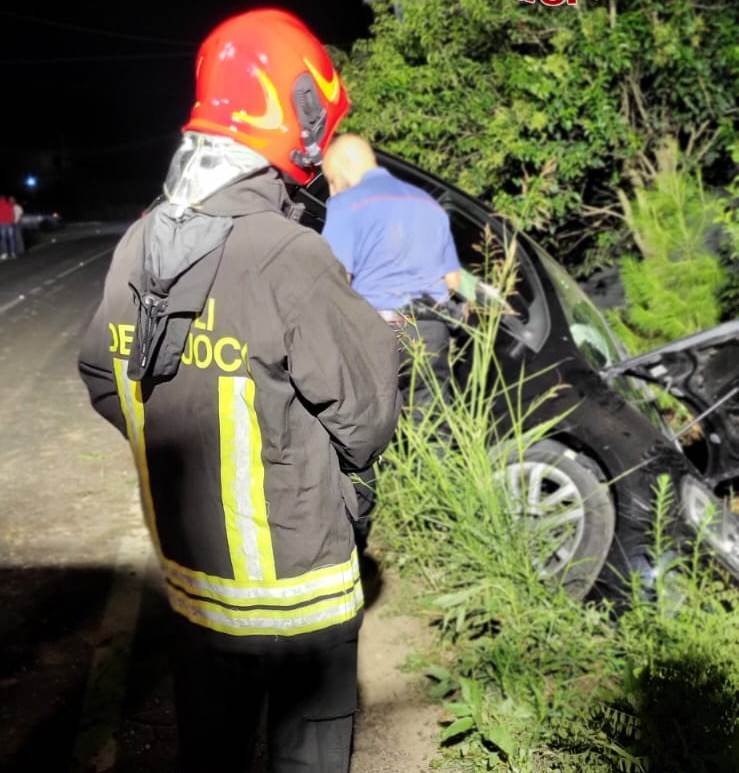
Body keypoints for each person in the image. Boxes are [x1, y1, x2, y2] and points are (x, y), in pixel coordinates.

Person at [78, 11, 400, 773]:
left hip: (196, 593)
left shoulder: (137, 244)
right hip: (303, 597)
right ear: (296, 116)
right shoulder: (289, 254)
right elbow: (367, 417)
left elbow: (102, 375)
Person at [321, 134, 462, 544]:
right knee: (432, 427)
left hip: (378, 330)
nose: (331, 188)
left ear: (346, 167)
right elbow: (452, 281)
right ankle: (436, 529)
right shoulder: (427, 203)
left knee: (360, 429)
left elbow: (336, 280)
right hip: (431, 331)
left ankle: (358, 529)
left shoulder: (346, 205)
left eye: (331, 179)